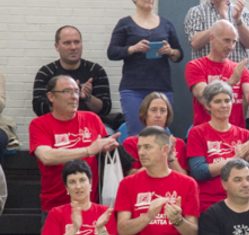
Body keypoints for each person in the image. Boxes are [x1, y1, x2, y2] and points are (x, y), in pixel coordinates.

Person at [30, 76, 120, 216]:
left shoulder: (92, 119)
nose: (74, 97)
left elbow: (102, 149)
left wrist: (106, 149)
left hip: (91, 207)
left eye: (76, 92)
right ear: (51, 96)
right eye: (67, 91)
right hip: (56, 209)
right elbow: (47, 157)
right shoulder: (39, 124)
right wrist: (88, 150)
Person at [107, 0, 184, 134]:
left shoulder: (166, 24)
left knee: (159, 133)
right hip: (133, 88)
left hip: (161, 87)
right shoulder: (125, 24)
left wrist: (170, 51)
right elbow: (112, 52)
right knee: (137, 134)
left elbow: (179, 55)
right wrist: (133, 49)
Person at [186, 81, 249, 215]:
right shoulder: (197, 132)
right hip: (210, 206)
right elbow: (199, 171)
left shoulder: (245, 134)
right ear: (207, 105)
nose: (224, 105)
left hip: (243, 205)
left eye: (227, 101)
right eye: (217, 101)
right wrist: (235, 158)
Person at [32, 25, 118, 129]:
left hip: (90, 125)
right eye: (67, 43)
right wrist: (64, 97)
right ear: (57, 46)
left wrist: (88, 98)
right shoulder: (46, 72)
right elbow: (38, 108)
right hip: (56, 125)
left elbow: (105, 109)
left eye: (77, 42)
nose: (73, 47)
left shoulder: (95, 70)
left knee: (108, 135)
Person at [185, 20, 249, 129]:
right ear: (212, 39)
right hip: (206, 133)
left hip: (235, 133)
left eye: (234, 42)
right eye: (226, 40)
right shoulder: (196, 66)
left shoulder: (239, 69)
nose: (230, 46)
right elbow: (204, 97)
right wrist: (230, 82)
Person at [123, 93, 187, 174]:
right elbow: (130, 176)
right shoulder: (131, 143)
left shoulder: (178, 143)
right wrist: (158, 155)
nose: (158, 115)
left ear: (167, 115)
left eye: (163, 110)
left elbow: (185, 179)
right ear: (145, 114)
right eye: (153, 110)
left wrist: (170, 155)